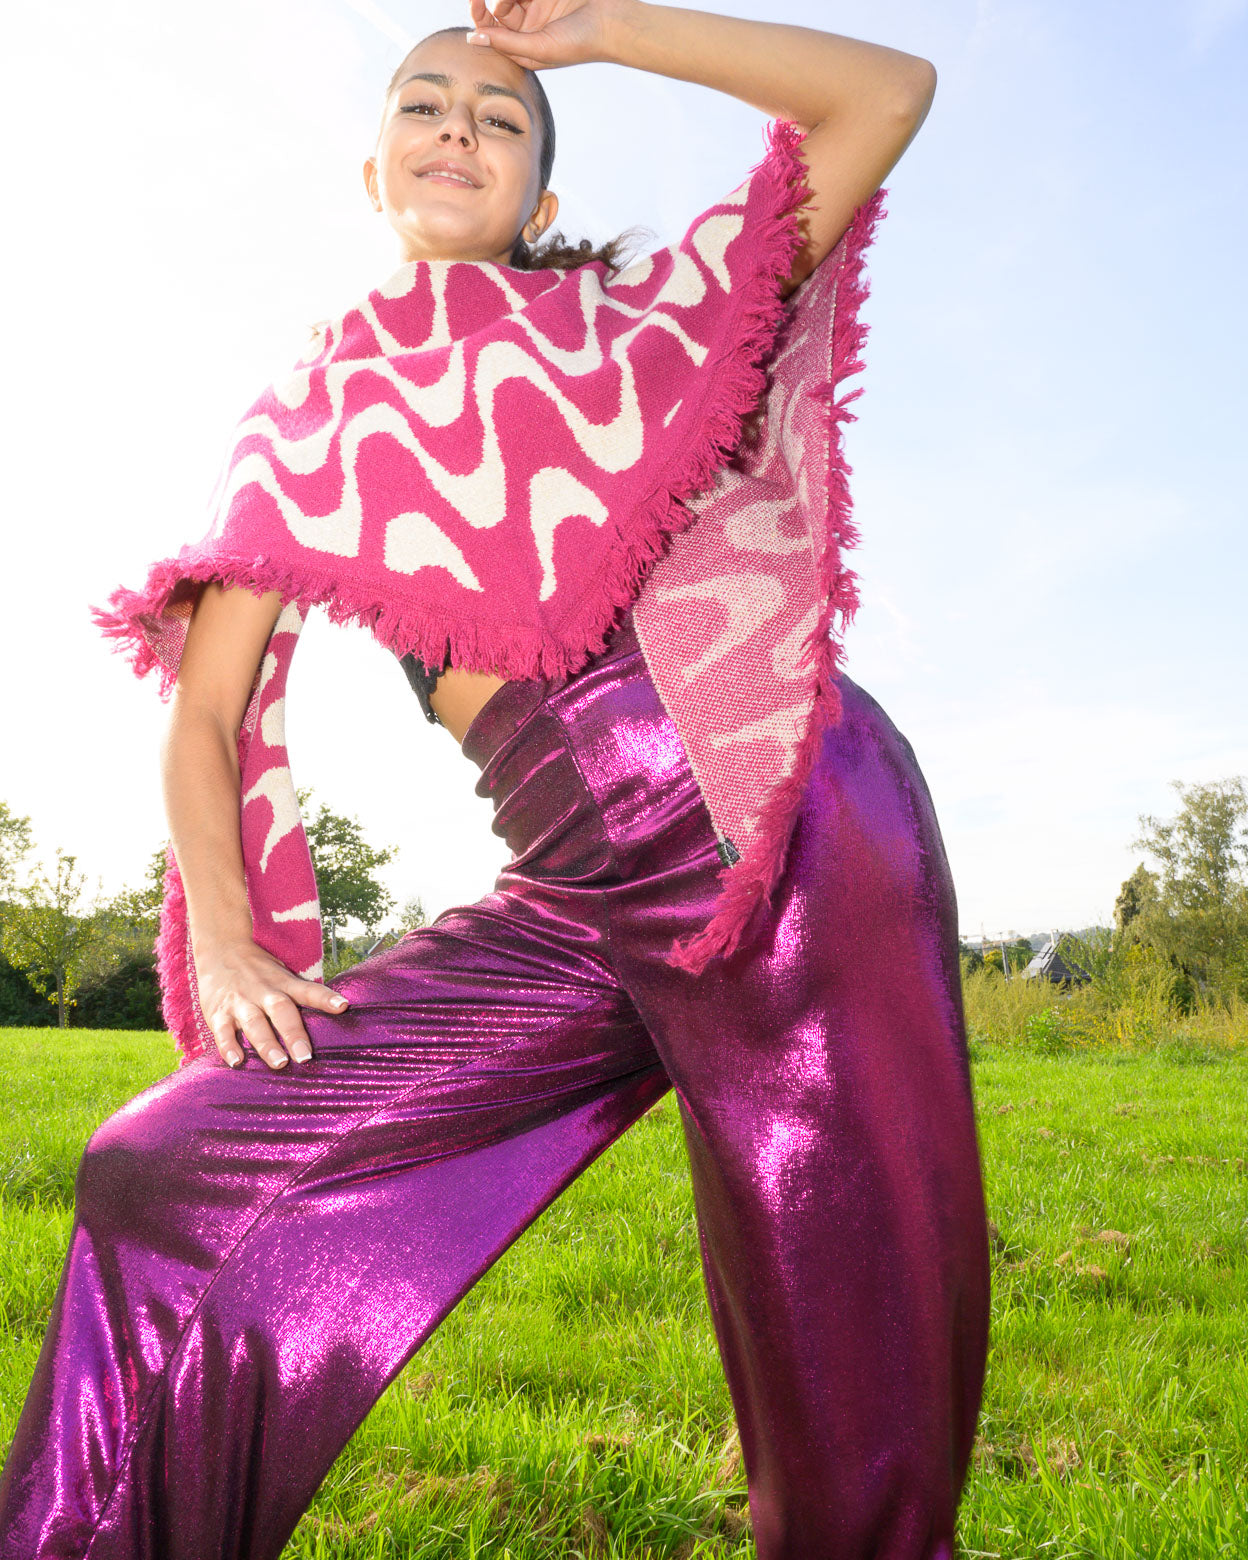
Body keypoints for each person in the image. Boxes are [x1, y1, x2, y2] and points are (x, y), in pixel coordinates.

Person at [0, 3, 992, 1557]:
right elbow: (204, 716)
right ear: (373, 168)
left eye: (502, 114)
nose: (459, 123)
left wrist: (598, 27)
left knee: (847, 1387)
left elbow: (884, 92)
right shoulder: (305, 421)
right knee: (159, 1168)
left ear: (540, 196)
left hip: (780, 824)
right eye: (426, 101)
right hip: (576, 887)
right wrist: (231, 936)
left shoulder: (638, 333)